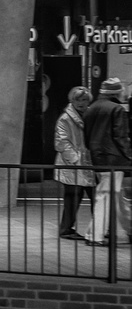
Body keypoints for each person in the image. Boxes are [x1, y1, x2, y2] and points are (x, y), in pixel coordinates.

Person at [83, 77, 132, 247]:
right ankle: (94, 235)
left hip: (98, 157)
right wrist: (129, 155)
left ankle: (130, 228)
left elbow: (87, 136)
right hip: (115, 159)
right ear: (116, 92)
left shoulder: (91, 108)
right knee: (106, 196)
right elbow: (120, 136)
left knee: (115, 195)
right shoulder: (117, 109)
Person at [54, 86, 95, 241]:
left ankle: (98, 228)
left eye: (84, 99)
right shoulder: (65, 118)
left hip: (86, 163)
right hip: (73, 165)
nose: (81, 103)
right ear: (72, 100)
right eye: (77, 99)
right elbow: (61, 142)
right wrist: (76, 160)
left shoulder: (88, 114)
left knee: (93, 196)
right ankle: (66, 229)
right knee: (73, 198)